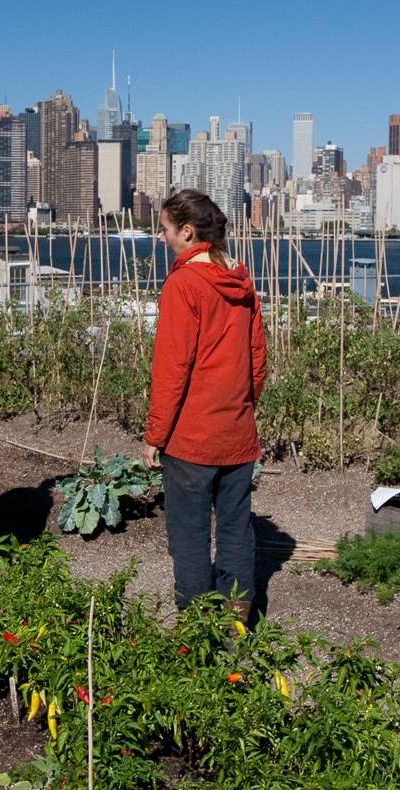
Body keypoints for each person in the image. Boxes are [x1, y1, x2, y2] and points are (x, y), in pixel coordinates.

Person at [142, 189, 268, 622]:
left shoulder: (183, 284)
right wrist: (240, 405)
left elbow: (171, 369)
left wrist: (155, 434)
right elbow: (257, 360)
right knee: (236, 529)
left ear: (188, 232)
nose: (161, 238)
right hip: (237, 431)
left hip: (192, 436)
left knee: (190, 534)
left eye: (165, 230)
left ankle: (198, 629)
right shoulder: (241, 280)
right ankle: (237, 620)